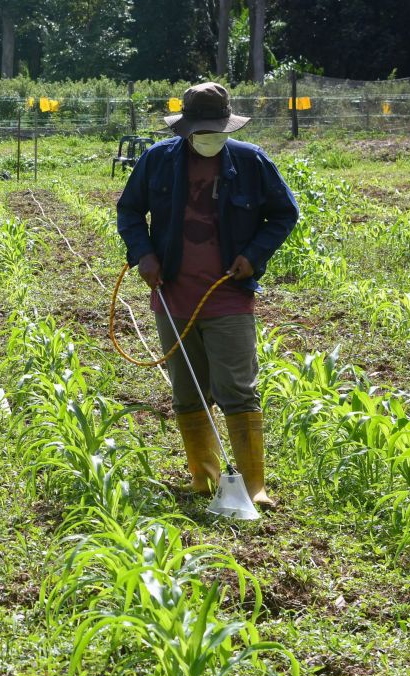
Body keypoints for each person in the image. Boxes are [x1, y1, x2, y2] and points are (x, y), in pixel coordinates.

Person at [116, 82, 299, 505]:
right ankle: (205, 478)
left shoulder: (252, 162)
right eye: (201, 132)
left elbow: (284, 213)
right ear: (184, 130)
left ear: (227, 126)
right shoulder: (157, 160)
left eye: (216, 131)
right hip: (173, 295)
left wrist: (254, 255)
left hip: (228, 295)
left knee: (237, 388)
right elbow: (129, 210)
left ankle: (255, 486)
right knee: (189, 388)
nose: (209, 139)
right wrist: (143, 254)